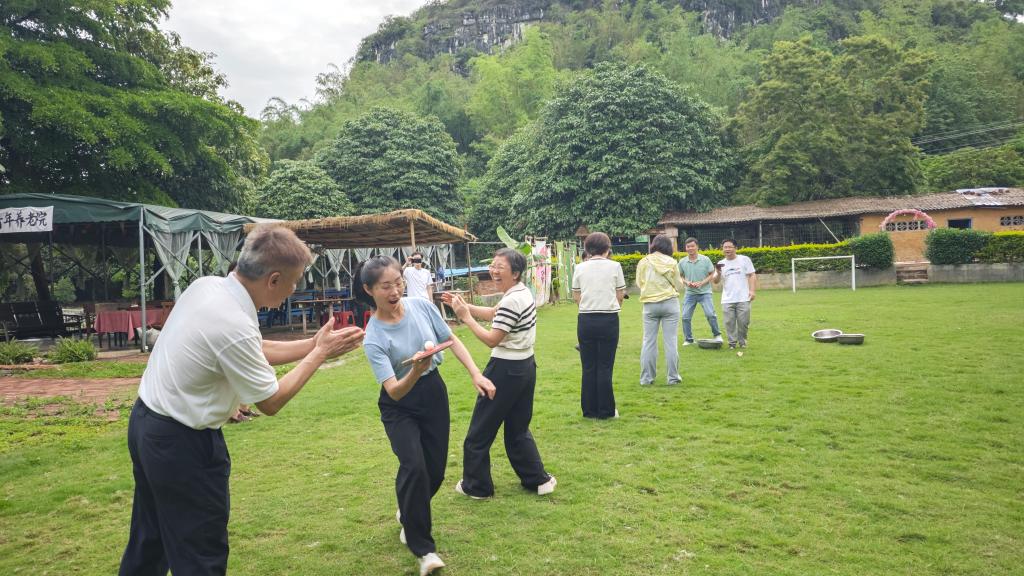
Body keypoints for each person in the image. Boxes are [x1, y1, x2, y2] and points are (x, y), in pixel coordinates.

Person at [119, 225, 364, 576]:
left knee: (150, 540)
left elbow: (253, 349)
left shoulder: (208, 287)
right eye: (294, 281)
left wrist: (314, 344)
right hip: (181, 444)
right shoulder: (232, 321)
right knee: (200, 553)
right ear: (274, 279)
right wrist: (319, 355)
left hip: (148, 424)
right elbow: (270, 401)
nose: (295, 290)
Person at [356, 255, 495, 576]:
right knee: (414, 466)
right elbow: (394, 391)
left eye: (398, 283)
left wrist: (475, 373)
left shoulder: (421, 306)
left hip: (433, 393)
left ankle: (408, 510)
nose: (394, 291)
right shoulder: (373, 337)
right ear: (369, 290)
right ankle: (424, 550)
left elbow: (450, 340)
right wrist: (416, 370)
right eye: (385, 286)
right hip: (399, 404)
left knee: (434, 472)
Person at [442, 248, 557, 499]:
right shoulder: (520, 292)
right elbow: (494, 313)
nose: (493, 270)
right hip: (525, 366)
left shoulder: (512, 299)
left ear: (515, 273)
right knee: (517, 429)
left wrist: (465, 318)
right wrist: (463, 306)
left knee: (479, 432)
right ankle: (538, 480)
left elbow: (492, 339)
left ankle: (477, 487)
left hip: (505, 370)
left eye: (500, 267)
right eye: (492, 265)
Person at [571, 232, 625, 419]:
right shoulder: (615, 266)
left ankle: (589, 410)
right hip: (608, 319)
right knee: (605, 366)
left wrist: (587, 307)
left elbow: (576, 296)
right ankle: (606, 410)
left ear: (587, 249)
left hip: (585, 320)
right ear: (607, 248)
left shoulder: (579, 268)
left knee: (588, 366)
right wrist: (614, 307)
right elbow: (620, 294)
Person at [636, 235, 684, 386]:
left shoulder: (644, 261)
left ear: (653, 245)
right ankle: (673, 378)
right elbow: (679, 284)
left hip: (650, 304)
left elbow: (639, 283)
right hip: (670, 303)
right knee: (671, 341)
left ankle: (646, 378)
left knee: (648, 341)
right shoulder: (672, 262)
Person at [712, 238, 757, 349]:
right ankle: (732, 343)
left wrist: (752, 291)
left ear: (735, 248)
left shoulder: (744, 259)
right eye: (725, 247)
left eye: (729, 247)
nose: (727, 249)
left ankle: (742, 342)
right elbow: (715, 281)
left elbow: (752, 275)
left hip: (743, 297)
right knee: (729, 322)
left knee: (744, 322)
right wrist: (718, 272)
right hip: (727, 299)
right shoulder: (721, 263)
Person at [678, 237, 723, 346]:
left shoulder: (705, 259)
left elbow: (711, 274)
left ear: (697, 247)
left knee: (710, 314)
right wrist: (687, 282)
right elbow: (679, 276)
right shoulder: (682, 262)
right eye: (688, 246)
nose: (690, 248)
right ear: (685, 248)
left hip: (705, 292)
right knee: (685, 317)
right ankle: (688, 339)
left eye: (692, 246)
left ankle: (717, 335)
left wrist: (702, 283)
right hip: (690, 293)